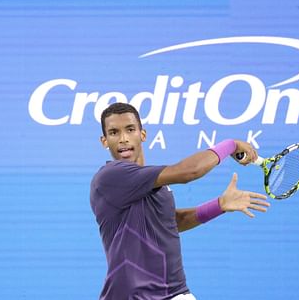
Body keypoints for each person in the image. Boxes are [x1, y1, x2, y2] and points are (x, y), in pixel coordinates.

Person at [90, 102, 270, 300]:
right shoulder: (111, 176)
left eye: (130, 129)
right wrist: (231, 145)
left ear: (142, 135)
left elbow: (171, 223)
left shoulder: (152, 183)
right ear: (104, 141)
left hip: (175, 293)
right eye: (114, 132)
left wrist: (219, 205)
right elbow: (189, 171)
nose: (123, 139)